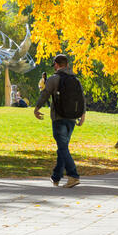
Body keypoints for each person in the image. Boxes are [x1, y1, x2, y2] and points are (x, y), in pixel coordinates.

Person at [34, 54, 86, 188]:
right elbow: (81, 98)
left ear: (56, 65)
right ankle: (56, 177)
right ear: (67, 65)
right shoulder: (76, 80)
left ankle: (73, 175)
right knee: (63, 148)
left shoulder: (54, 79)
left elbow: (45, 94)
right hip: (72, 118)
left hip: (59, 118)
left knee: (62, 148)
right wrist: (83, 115)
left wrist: (37, 108)